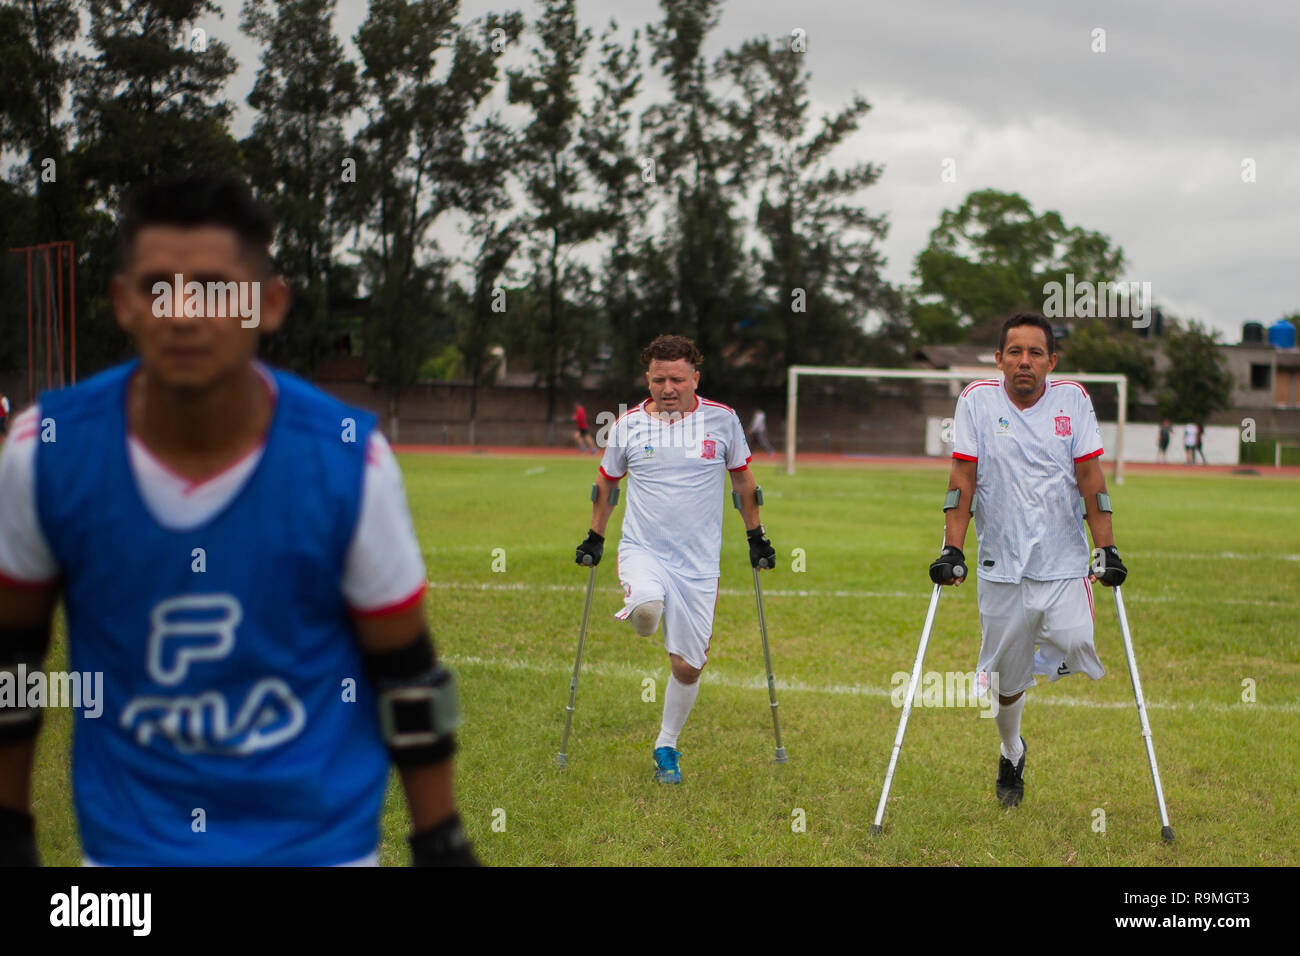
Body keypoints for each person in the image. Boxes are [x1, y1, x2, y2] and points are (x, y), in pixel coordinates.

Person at [0, 173, 475, 867]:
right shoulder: (44, 454)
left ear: (270, 304)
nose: (186, 312)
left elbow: (407, 676)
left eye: (218, 288)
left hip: (319, 852)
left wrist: (443, 844)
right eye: (160, 286)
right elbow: (12, 663)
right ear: (124, 303)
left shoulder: (348, 460)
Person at [929, 312, 1128, 809]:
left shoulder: (1073, 400)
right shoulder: (977, 400)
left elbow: (1092, 480)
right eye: (1015, 352)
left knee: (1077, 638)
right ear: (999, 359)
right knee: (1005, 686)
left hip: (1063, 561)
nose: (1024, 362)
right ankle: (1011, 749)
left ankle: (1038, 651)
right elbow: (962, 480)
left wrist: (1106, 547)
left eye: (1035, 353)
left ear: (1051, 361)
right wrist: (952, 547)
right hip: (1001, 563)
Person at [574, 334, 775, 785]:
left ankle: (666, 744)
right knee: (647, 606)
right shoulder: (626, 425)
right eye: (659, 378)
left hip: (699, 565)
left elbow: (744, 483)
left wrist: (756, 536)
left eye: (677, 379)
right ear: (648, 377)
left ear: (694, 378)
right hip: (642, 549)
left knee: (687, 667)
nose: (668, 388)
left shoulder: (722, 422)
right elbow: (606, 484)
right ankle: (644, 607)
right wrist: (594, 536)